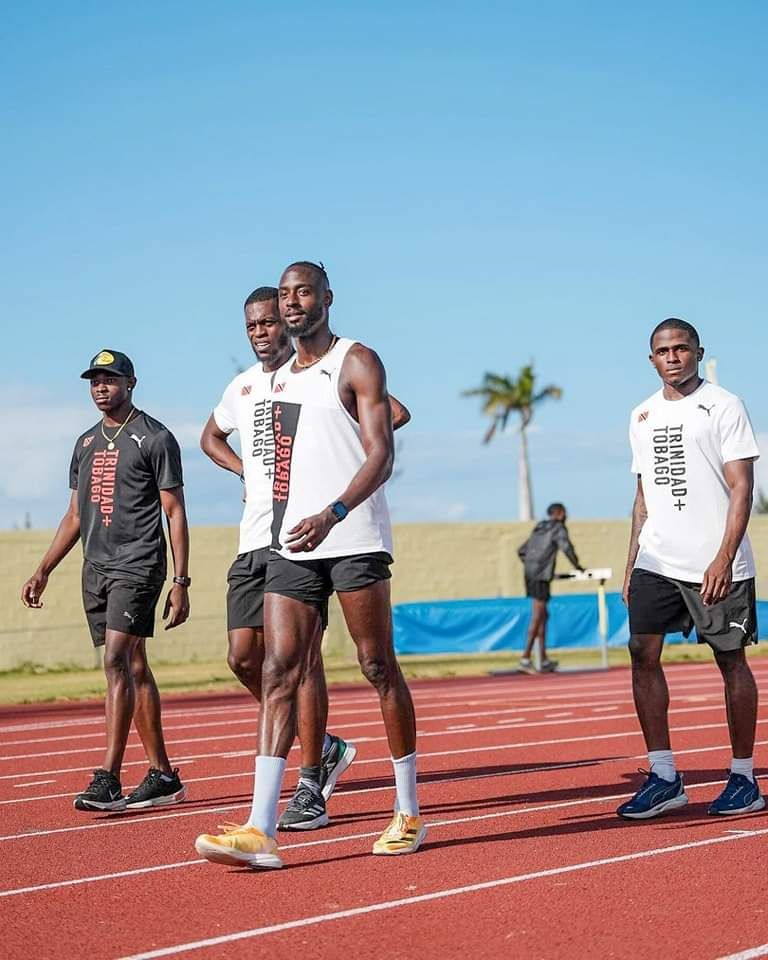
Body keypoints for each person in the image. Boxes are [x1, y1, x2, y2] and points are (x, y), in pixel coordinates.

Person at [195, 261, 423, 869]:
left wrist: (335, 509)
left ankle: (406, 810)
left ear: (326, 297)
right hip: (292, 544)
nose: (293, 303)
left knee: (377, 666)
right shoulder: (273, 383)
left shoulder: (356, 360)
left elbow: (383, 453)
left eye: (303, 292)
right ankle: (259, 827)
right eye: (285, 294)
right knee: (276, 670)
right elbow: (243, 448)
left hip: (353, 537)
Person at [199, 286, 357, 831]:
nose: (261, 332)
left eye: (269, 323)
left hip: (300, 539)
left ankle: (311, 778)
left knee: (297, 661)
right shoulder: (242, 386)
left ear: (286, 325)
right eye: (252, 326)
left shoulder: (317, 373)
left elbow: (393, 413)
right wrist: (244, 469)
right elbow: (209, 435)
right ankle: (324, 742)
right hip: (252, 539)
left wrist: (335, 462)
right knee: (244, 657)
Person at [21, 350, 189, 812]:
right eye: (94, 381)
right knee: (134, 666)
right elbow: (76, 513)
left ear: (131, 383)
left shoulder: (154, 437)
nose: (101, 387)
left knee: (116, 660)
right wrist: (44, 568)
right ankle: (163, 775)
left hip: (138, 565)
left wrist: (181, 580)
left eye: (110, 379)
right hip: (95, 568)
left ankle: (109, 777)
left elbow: (173, 510)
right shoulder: (84, 444)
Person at [618, 318, 763, 819]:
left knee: (730, 663)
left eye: (682, 348)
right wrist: (631, 562)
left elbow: (741, 486)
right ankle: (664, 776)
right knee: (642, 655)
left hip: (715, 562)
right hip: (656, 560)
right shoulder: (640, 416)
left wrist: (724, 556)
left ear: (699, 352)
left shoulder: (724, 406)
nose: (673, 357)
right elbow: (643, 495)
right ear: (651, 358)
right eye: (663, 350)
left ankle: (744, 778)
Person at [517, 503, 583, 673]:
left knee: (544, 615)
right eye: (565, 512)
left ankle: (544, 659)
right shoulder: (558, 528)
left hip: (530, 573)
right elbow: (566, 548)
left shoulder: (540, 526)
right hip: (540, 576)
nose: (566, 515)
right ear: (559, 513)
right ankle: (525, 658)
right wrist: (578, 567)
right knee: (538, 615)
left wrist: (533, 564)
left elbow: (521, 551)